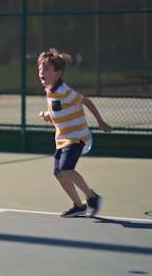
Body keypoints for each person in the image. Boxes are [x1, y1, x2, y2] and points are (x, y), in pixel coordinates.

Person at [37, 48, 112, 218]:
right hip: (62, 139)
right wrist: (48, 116)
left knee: (66, 168)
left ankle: (92, 197)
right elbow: (58, 110)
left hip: (77, 137)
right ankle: (79, 206)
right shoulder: (50, 90)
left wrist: (100, 121)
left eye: (46, 69)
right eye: (40, 69)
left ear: (58, 73)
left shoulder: (65, 91)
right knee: (58, 173)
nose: (42, 72)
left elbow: (86, 101)